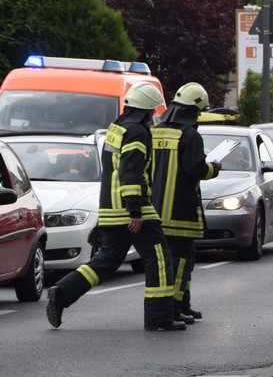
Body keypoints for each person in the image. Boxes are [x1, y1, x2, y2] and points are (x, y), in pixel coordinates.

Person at [46, 82, 185, 331]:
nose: (154, 116)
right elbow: (130, 173)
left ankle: (62, 292)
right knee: (159, 259)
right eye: (152, 112)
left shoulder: (116, 128)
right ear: (146, 111)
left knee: (108, 260)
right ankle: (159, 318)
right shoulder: (137, 133)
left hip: (111, 209)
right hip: (132, 209)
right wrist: (135, 210)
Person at [149, 82, 220, 325]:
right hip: (180, 213)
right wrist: (214, 168)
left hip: (155, 211)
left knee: (171, 262)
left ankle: (184, 306)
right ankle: (175, 308)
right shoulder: (191, 135)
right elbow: (195, 169)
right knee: (182, 263)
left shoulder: (156, 131)